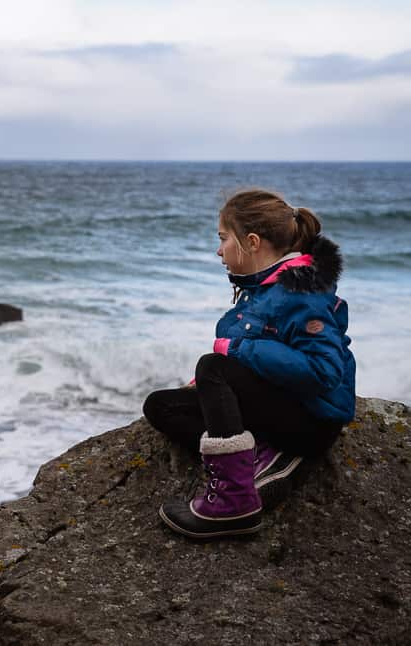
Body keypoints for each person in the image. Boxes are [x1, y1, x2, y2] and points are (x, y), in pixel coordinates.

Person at [144, 188, 356, 539]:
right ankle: (257, 460)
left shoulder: (301, 293)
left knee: (213, 365)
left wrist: (238, 353)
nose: (218, 250)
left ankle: (234, 502)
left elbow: (325, 371)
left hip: (312, 422)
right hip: (279, 409)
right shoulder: (261, 289)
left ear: (252, 242)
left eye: (223, 239)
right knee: (160, 406)